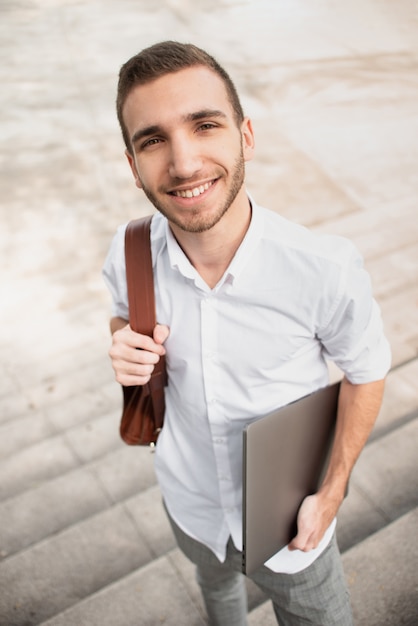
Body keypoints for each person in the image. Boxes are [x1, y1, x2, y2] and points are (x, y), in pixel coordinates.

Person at [103, 41, 391, 626]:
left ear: (247, 137)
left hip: (292, 520)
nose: (183, 163)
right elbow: (119, 310)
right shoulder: (130, 250)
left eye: (205, 125)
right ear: (133, 166)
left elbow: (367, 369)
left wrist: (333, 489)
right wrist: (122, 342)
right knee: (218, 598)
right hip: (189, 503)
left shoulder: (324, 269)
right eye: (153, 140)